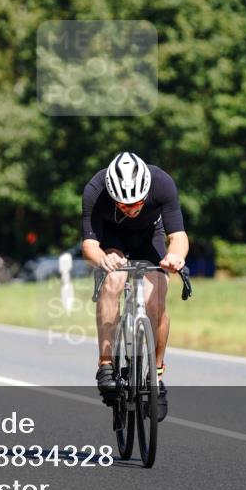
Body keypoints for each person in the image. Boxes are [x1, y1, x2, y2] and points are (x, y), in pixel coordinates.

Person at [80, 152, 188, 421]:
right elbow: (89, 245)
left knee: (157, 298)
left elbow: (179, 236)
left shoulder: (162, 183)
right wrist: (103, 259)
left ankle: (157, 375)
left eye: (136, 204)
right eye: (123, 205)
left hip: (150, 237)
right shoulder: (95, 189)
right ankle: (106, 363)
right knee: (113, 281)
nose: (130, 210)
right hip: (112, 238)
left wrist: (176, 256)